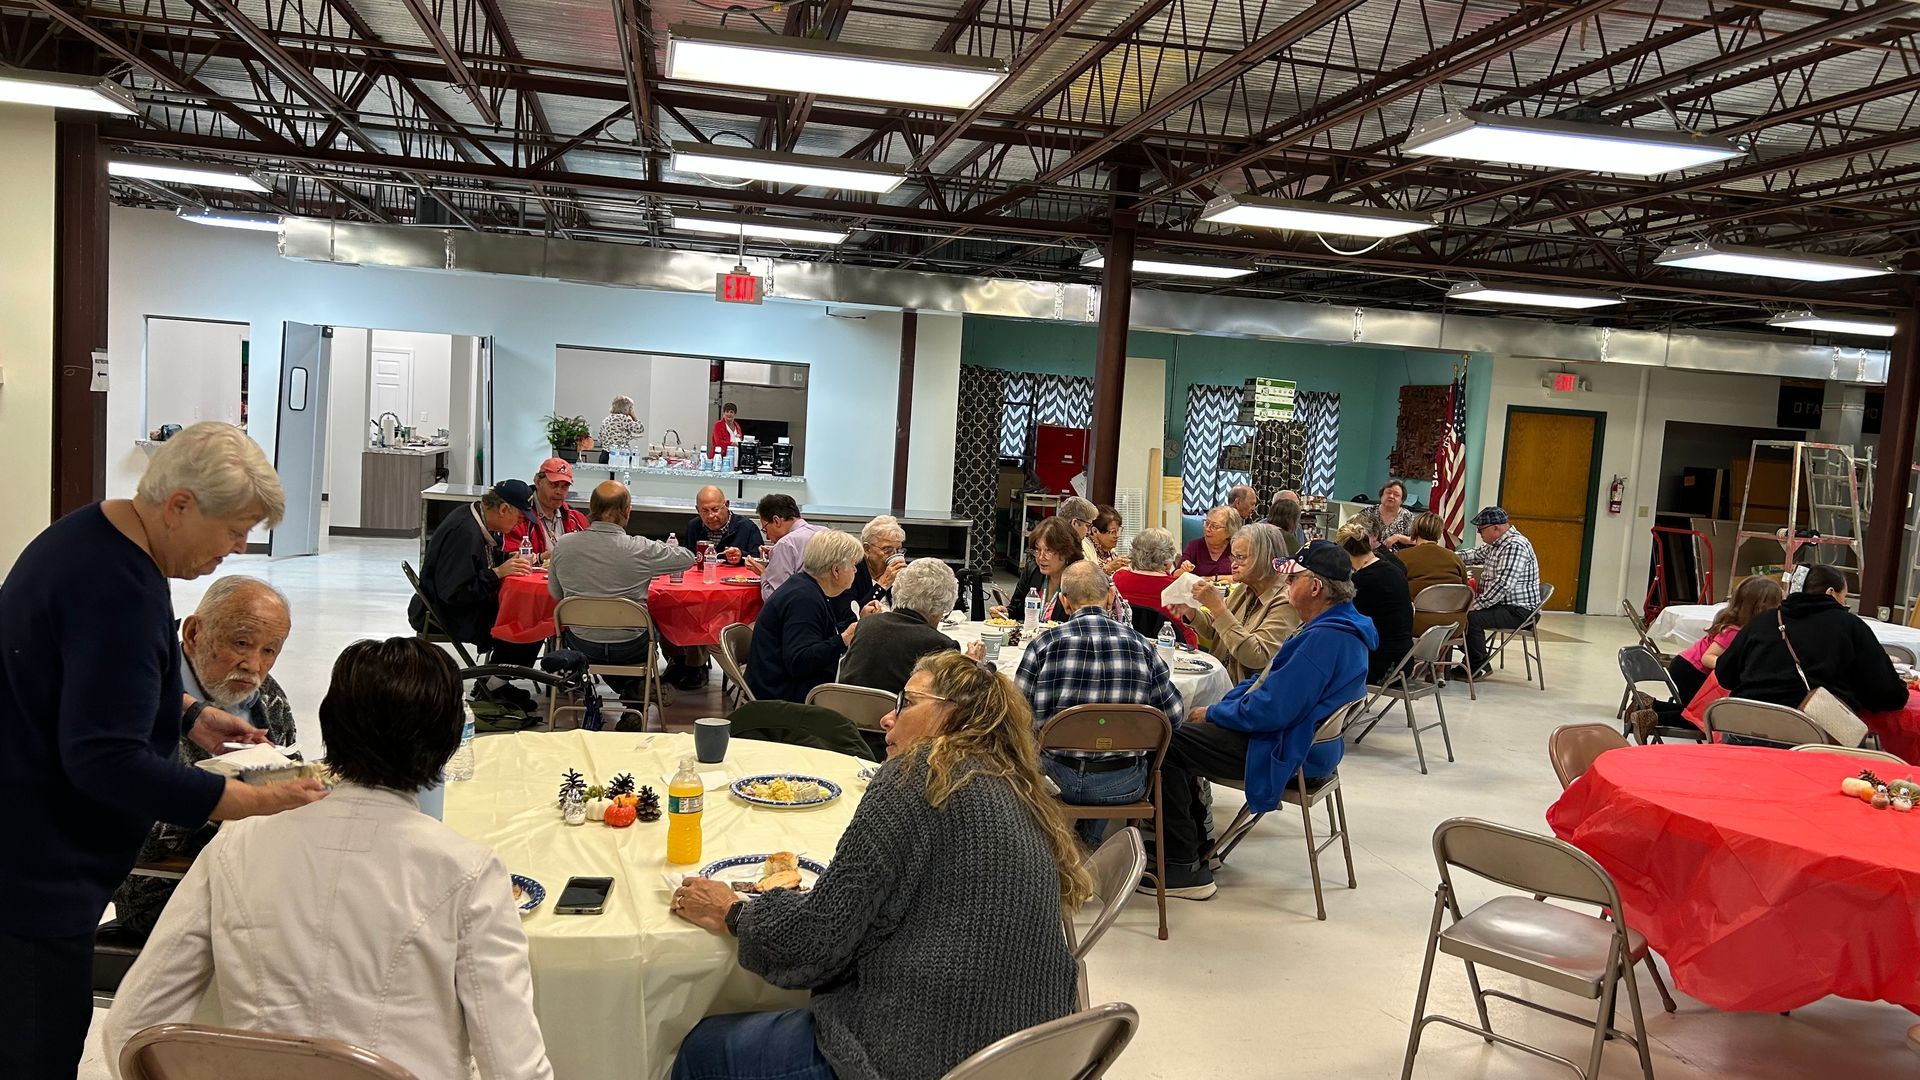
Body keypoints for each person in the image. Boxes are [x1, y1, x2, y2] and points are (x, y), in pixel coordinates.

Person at [0, 422, 326, 1076]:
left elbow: (78, 680)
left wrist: (187, 714)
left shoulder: (88, 536)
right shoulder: (118, 589)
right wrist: (240, 797)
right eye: (234, 529)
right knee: (36, 1049)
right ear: (179, 505)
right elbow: (105, 762)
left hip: (28, 849)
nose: (238, 547)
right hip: (37, 872)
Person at [103, 637, 554, 1080]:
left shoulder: (236, 844)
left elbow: (131, 1026)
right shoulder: (468, 871)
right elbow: (514, 1066)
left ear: (329, 726)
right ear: (449, 741)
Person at [668, 650, 1086, 1080]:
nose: (888, 718)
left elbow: (816, 939)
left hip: (924, 1056)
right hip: (1029, 1053)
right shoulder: (1014, 783)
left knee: (703, 1050)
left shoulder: (919, 773)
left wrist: (734, 912)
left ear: (952, 713)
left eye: (907, 702)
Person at [1151, 540, 1374, 899]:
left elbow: (1272, 709)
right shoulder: (1339, 626)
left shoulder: (1324, 638)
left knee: (1168, 742)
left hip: (1288, 748)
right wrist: (1226, 706)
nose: (1286, 585)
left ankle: (1181, 865)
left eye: (1293, 579)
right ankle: (1197, 846)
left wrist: (1215, 712)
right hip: (1310, 744)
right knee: (1185, 734)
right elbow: (1266, 681)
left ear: (1315, 587)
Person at [107, 577, 297, 942]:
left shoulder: (268, 697)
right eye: (241, 643)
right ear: (194, 633)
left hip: (256, 874)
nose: (253, 665)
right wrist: (223, 800)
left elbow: (287, 774)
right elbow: (124, 832)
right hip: (166, 889)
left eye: (270, 650)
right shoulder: (138, 700)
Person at [1016, 563, 1183, 845]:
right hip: (1123, 783)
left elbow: (1015, 717)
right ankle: (1089, 845)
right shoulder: (1141, 646)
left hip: (1053, 778)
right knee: (1109, 740)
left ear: (1064, 601)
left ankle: (1063, 847)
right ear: (1110, 597)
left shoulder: (1044, 644)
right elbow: (1173, 717)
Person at [548, 481, 697, 700]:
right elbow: (688, 558)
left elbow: (556, 594)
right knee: (655, 624)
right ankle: (634, 693)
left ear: (592, 509)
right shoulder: (641, 548)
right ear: (627, 511)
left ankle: (628, 689)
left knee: (595, 637)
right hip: (630, 645)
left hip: (582, 642)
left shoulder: (563, 544)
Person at [1715, 565, 1907, 716]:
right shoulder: (1850, 625)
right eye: (1844, 596)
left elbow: (1725, 674)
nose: (1845, 603)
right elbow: (1887, 695)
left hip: (1744, 725)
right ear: (1831, 592)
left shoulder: (1762, 621)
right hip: (1813, 735)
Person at [409, 479, 542, 674]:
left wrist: (505, 559)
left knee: (527, 612)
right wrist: (497, 573)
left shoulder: (471, 516)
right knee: (530, 621)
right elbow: (455, 593)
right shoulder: (465, 533)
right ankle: (495, 683)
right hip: (448, 613)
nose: (520, 524)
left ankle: (496, 679)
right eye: (520, 518)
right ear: (504, 509)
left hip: (451, 605)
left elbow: (477, 561)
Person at [747, 530, 866, 702]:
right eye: (853, 565)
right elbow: (799, 661)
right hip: (782, 696)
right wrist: (843, 639)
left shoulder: (804, 586)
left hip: (779, 685)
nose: (855, 570)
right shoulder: (804, 600)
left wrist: (856, 621)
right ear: (836, 570)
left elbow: (818, 632)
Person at [1179, 522, 1300, 682]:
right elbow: (1216, 631)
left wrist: (1218, 608)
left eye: (1241, 558)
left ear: (1266, 558)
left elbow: (1257, 656)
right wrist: (1190, 611)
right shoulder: (1245, 588)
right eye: (1233, 557)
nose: (1233, 564)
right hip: (1220, 680)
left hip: (1246, 690)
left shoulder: (1286, 600)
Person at [840, 558, 979, 695]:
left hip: (844, 706)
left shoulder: (866, 624)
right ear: (941, 606)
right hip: (896, 709)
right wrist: (968, 663)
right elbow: (951, 696)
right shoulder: (941, 644)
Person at [1659, 576, 1784, 719]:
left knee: (1695, 711)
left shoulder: (1741, 627)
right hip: (1691, 670)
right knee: (1701, 718)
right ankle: (1651, 718)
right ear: (1761, 608)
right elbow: (1707, 657)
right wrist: (1730, 667)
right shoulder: (1735, 632)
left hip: (1689, 666)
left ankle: (1651, 707)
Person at [1456, 506, 1543, 679]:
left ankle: (1478, 666)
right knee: (1461, 614)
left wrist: (1475, 605)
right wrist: (1445, 555)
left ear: (1496, 528)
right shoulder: (1497, 544)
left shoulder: (1514, 546)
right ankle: (1472, 660)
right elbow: (1473, 554)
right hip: (1504, 605)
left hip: (1519, 611)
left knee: (1470, 618)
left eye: (1481, 529)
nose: (1479, 533)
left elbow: (1503, 585)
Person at [1337, 522, 1415, 683]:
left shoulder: (1361, 581)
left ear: (1344, 552)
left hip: (1381, 666)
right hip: (1404, 661)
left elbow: (1343, 620)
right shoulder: (1394, 570)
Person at [1112, 527, 1196, 646]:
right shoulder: (1176, 586)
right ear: (1168, 556)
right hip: (1171, 646)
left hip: (1126, 642)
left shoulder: (1118, 577)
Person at [1400, 512, 1470, 640]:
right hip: (1454, 625)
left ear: (1414, 531)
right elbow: (1464, 587)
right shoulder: (1455, 558)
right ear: (1439, 534)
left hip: (1416, 623)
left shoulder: (1402, 557)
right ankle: (1441, 652)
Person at [1003, 516, 1085, 623]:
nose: (1041, 557)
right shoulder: (1032, 570)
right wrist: (1005, 614)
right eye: (1037, 550)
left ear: (1066, 552)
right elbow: (1015, 610)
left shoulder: (1079, 581)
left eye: (1048, 550)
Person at [504, 457, 589, 559]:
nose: (559, 492)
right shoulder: (518, 516)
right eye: (553, 485)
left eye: (565, 486)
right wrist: (541, 558)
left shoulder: (577, 519)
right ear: (538, 482)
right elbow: (510, 558)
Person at [754, 492, 823, 600]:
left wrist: (764, 573)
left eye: (765, 529)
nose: (767, 537)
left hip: (802, 607)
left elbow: (775, 598)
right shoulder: (825, 532)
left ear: (776, 521)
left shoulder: (785, 544)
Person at [681, 484, 763, 567]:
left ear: (727, 505)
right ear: (698, 510)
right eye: (705, 511)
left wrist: (741, 556)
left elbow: (760, 562)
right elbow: (686, 559)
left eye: (715, 510)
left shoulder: (747, 527)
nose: (711, 516)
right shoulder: (694, 526)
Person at [850, 515, 907, 608]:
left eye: (898, 550)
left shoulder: (895, 575)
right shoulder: (852, 572)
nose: (894, 555)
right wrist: (883, 584)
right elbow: (852, 613)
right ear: (867, 549)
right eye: (887, 550)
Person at [1352, 480, 1415, 552]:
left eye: (1396, 494)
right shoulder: (1368, 512)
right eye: (1388, 493)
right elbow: (1351, 532)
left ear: (1402, 500)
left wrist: (1398, 537)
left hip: (1397, 557)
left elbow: (1418, 541)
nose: (1391, 496)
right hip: (1368, 555)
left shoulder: (1408, 517)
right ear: (1381, 495)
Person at [1182, 506, 1242, 578]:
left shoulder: (1236, 548)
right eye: (1207, 523)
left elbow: (1244, 577)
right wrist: (1183, 570)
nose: (1207, 529)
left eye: (1214, 526)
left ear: (1229, 531)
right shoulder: (1194, 546)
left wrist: (1214, 579)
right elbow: (1175, 575)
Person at [1057, 495, 1101, 563]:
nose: (1088, 532)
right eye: (1087, 526)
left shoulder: (1085, 544)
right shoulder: (1062, 548)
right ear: (1075, 523)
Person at [1089, 505, 1128, 574]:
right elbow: (1086, 578)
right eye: (1112, 532)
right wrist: (1109, 568)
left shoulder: (1109, 549)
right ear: (1095, 531)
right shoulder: (1084, 549)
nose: (1117, 536)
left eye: (1118, 531)